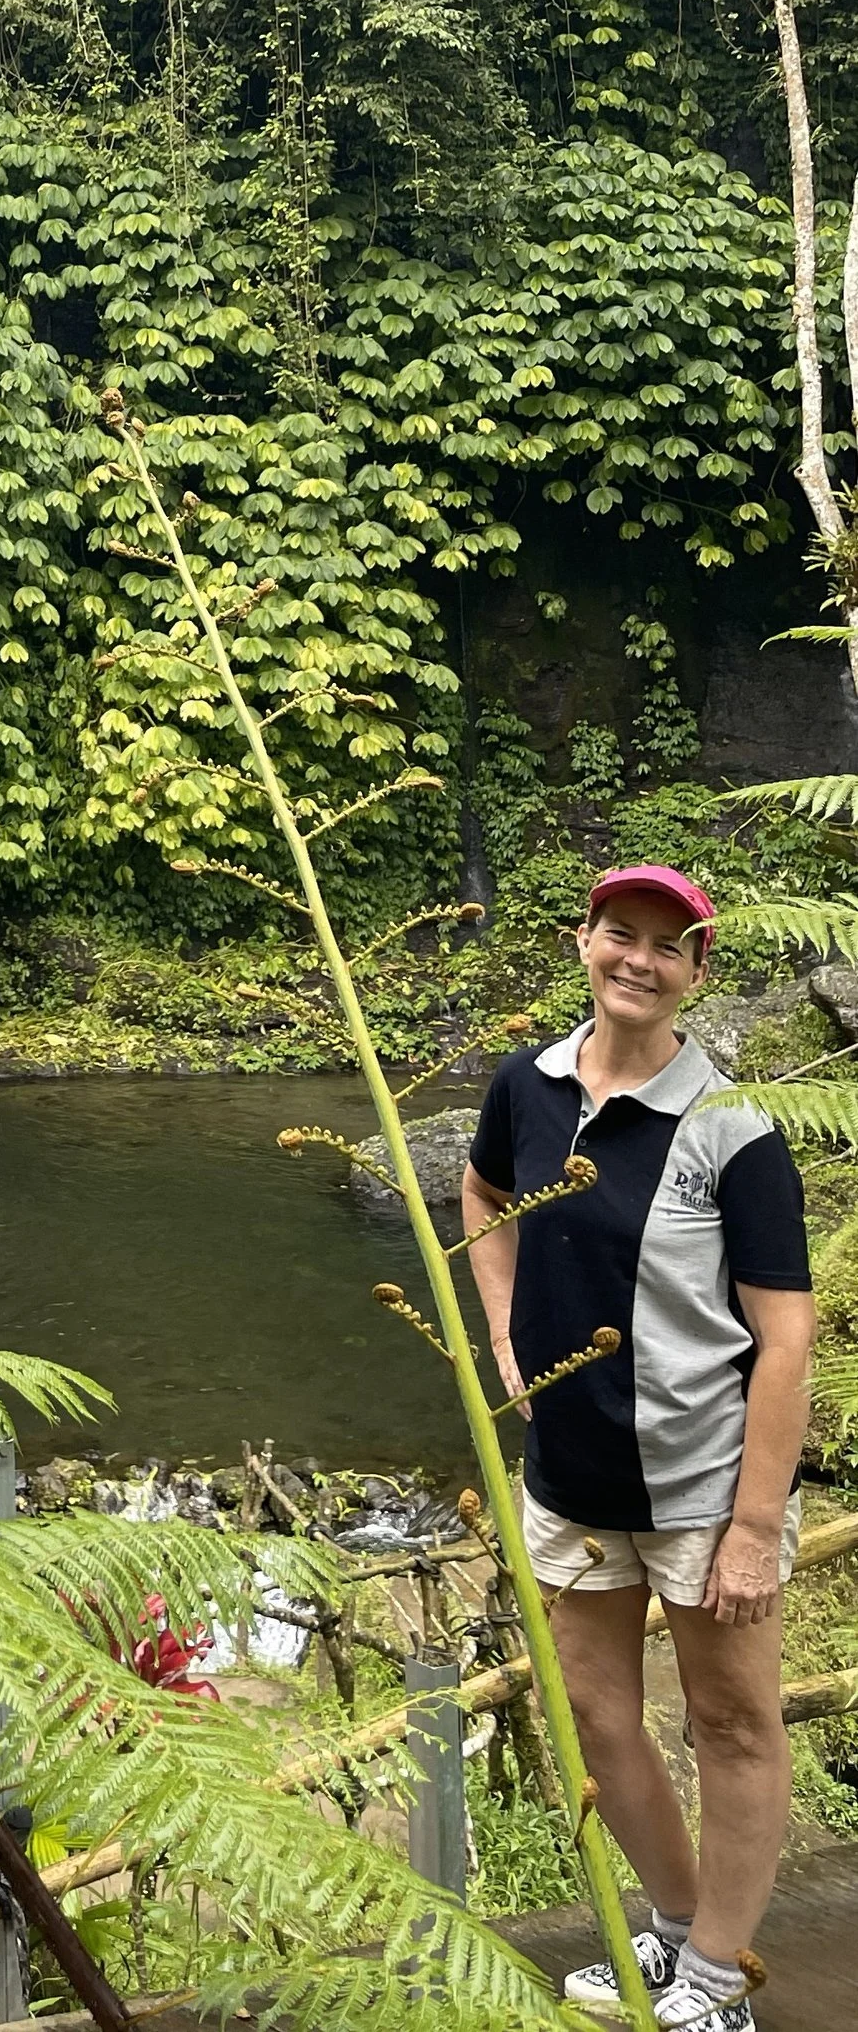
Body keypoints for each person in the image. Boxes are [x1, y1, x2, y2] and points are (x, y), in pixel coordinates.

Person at [462, 864, 815, 2032]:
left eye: (668, 946)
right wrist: (505, 1335)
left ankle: (718, 1983)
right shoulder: (525, 1085)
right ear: (584, 940)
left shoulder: (731, 1130)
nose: (638, 961)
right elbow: (480, 1193)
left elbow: (784, 1337)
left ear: (697, 971)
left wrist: (754, 1527)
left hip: (703, 1485)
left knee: (731, 1723)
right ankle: (675, 1930)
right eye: (621, 933)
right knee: (596, 1716)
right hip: (570, 1479)